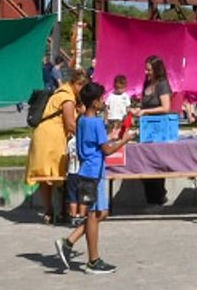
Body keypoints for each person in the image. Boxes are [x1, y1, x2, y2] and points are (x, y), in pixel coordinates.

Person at [56, 83, 136, 275]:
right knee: (93, 215)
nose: (103, 102)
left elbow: (93, 142)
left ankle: (68, 242)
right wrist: (124, 140)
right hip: (93, 174)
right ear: (94, 102)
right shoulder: (96, 122)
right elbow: (106, 150)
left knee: (101, 214)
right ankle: (93, 260)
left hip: (88, 171)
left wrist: (110, 136)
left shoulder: (82, 120)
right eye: (101, 99)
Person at [27, 66, 86, 224]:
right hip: (51, 139)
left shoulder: (60, 92)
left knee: (46, 177)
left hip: (42, 136)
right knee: (58, 175)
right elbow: (70, 124)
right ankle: (60, 211)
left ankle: (49, 211)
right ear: (78, 85)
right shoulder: (67, 97)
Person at [135, 55, 174, 205]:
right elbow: (144, 105)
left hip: (158, 130)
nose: (146, 72)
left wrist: (146, 112)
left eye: (149, 69)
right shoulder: (146, 84)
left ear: (157, 70)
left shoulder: (162, 84)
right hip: (146, 129)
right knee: (145, 162)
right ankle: (151, 197)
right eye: (146, 69)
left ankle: (158, 197)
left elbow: (166, 107)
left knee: (155, 163)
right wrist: (137, 110)